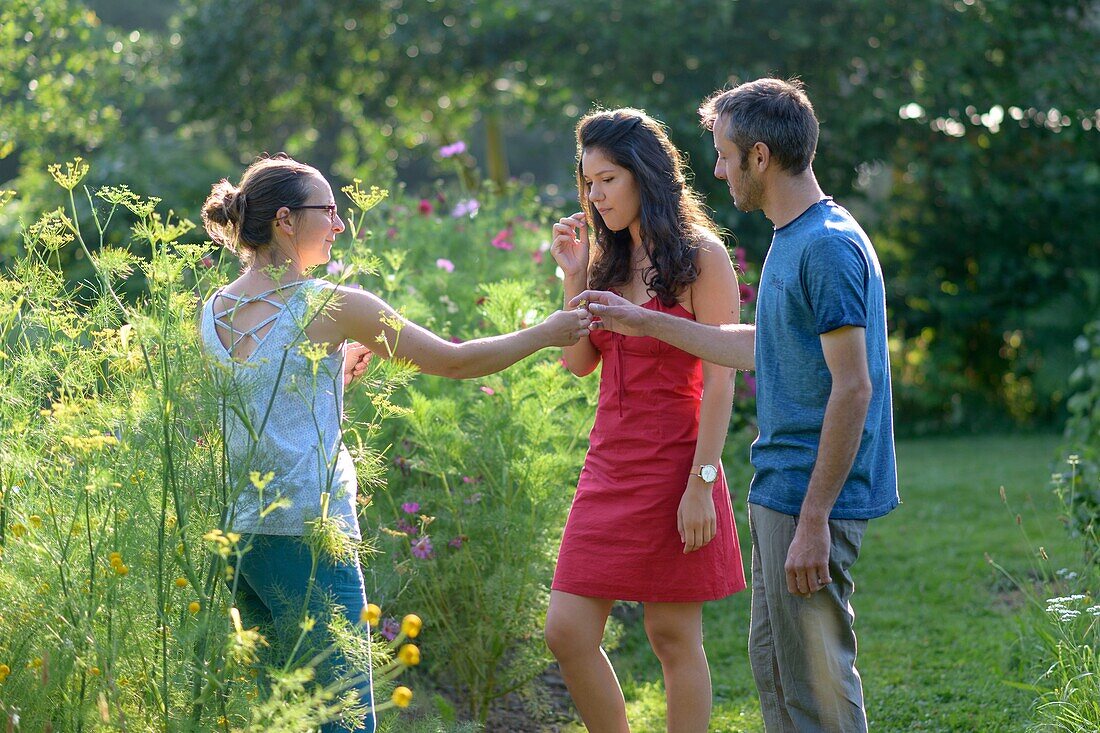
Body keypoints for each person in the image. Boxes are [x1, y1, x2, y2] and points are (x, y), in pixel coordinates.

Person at [198, 153, 591, 733]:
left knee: (281, 717)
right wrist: (546, 332)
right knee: (344, 720)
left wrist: (330, 378)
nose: (338, 223)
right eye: (327, 210)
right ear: (285, 220)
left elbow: (257, 409)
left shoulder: (213, 310)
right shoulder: (331, 305)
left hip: (240, 538)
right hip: (311, 535)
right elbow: (454, 362)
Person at [572, 79, 899, 732]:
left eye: (723, 155)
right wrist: (649, 322)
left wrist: (813, 519)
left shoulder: (825, 246)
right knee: (778, 671)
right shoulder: (795, 236)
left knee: (816, 685)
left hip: (811, 494)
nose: (715, 169)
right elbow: (758, 345)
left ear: (757, 156)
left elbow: (853, 385)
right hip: (782, 489)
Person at [544, 108, 746, 733]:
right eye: (588, 183)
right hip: (608, 465)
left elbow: (721, 374)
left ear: (643, 175)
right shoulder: (605, 261)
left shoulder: (701, 258)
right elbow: (580, 362)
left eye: (607, 179)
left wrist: (702, 483)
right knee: (567, 632)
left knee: (671, 635)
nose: (595, 196)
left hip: (679, 464)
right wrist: (573, 277)